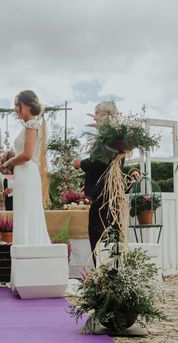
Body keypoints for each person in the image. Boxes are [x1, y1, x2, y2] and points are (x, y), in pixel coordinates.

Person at [0, 90, 50, 245]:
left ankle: (29, 248)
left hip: (27, 173)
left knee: (27, 212)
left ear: (27, 106)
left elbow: (28, 155)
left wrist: (8, 163)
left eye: (17, 104)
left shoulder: (31, 124)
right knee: (24, 212)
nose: (15, 108)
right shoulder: (29, 125)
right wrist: (11, 154)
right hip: (24, 173)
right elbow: (26, 152)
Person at [72, 100, 119, 263]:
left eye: (97, 113)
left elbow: (101, 161)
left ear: (107, 115)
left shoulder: (110, 135)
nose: (95, 118)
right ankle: (108, 269)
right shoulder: (114, 135)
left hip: (103, 191)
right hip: (108, 191)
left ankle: (104, 270)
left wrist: (81, 164)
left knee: (98, 230)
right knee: (106, 231)